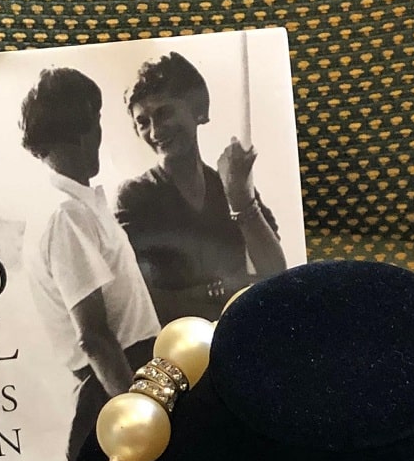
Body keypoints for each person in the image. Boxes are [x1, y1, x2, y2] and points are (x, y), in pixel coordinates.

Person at [20, 67, 160, 461]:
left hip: (125, 378)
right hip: (112, 389)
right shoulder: (65, 216)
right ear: (84, 130)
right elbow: (94, 338)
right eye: (96, 120)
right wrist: (140, 420)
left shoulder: (79, 206)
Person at [115, 51, 287, 325]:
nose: (156, 132)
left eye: (164, 113)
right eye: (143, 122)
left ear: (199, 110)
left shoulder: (229, 185)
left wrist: (240, 198)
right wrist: (223, 290)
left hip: (240, 329)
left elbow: (276, 274)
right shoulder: (135, 196)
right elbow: (144, 298)